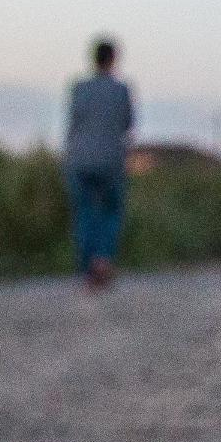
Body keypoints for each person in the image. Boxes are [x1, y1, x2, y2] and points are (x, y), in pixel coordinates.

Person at [64, 39, 135, 289]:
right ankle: (103, 259)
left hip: (79, 160)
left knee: (84, 213)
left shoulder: (79, 88)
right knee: (110, 212)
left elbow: (72, 123)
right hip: (110, 161)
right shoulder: (121, 90)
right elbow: (128, 123)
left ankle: (88, 268)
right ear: (113, 59)